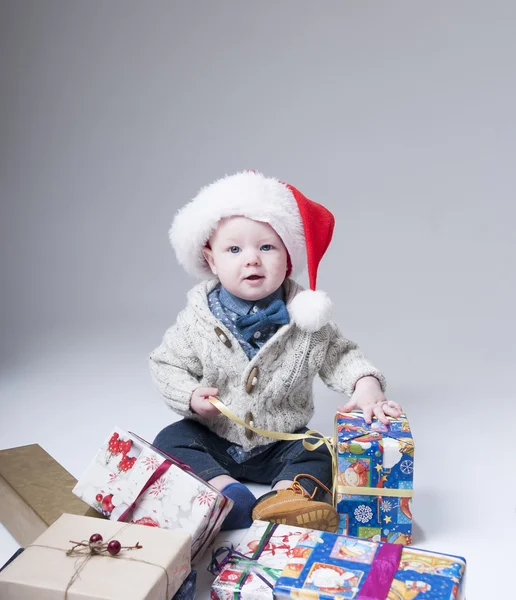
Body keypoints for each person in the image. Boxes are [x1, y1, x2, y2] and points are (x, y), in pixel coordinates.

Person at [150, 171, 402, 531]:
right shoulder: (197, 320)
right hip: (215, 433)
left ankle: (286, 498)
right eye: (234, 250)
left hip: (280, 440)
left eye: (266, 247)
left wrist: (365, 383)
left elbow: (341, 355)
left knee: (320, 450)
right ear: (211, 260)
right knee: (171, 440)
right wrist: (190, 396)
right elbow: (165, 364)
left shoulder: (307, 319)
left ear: (288, 256)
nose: (251, 260)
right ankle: (225, 494)